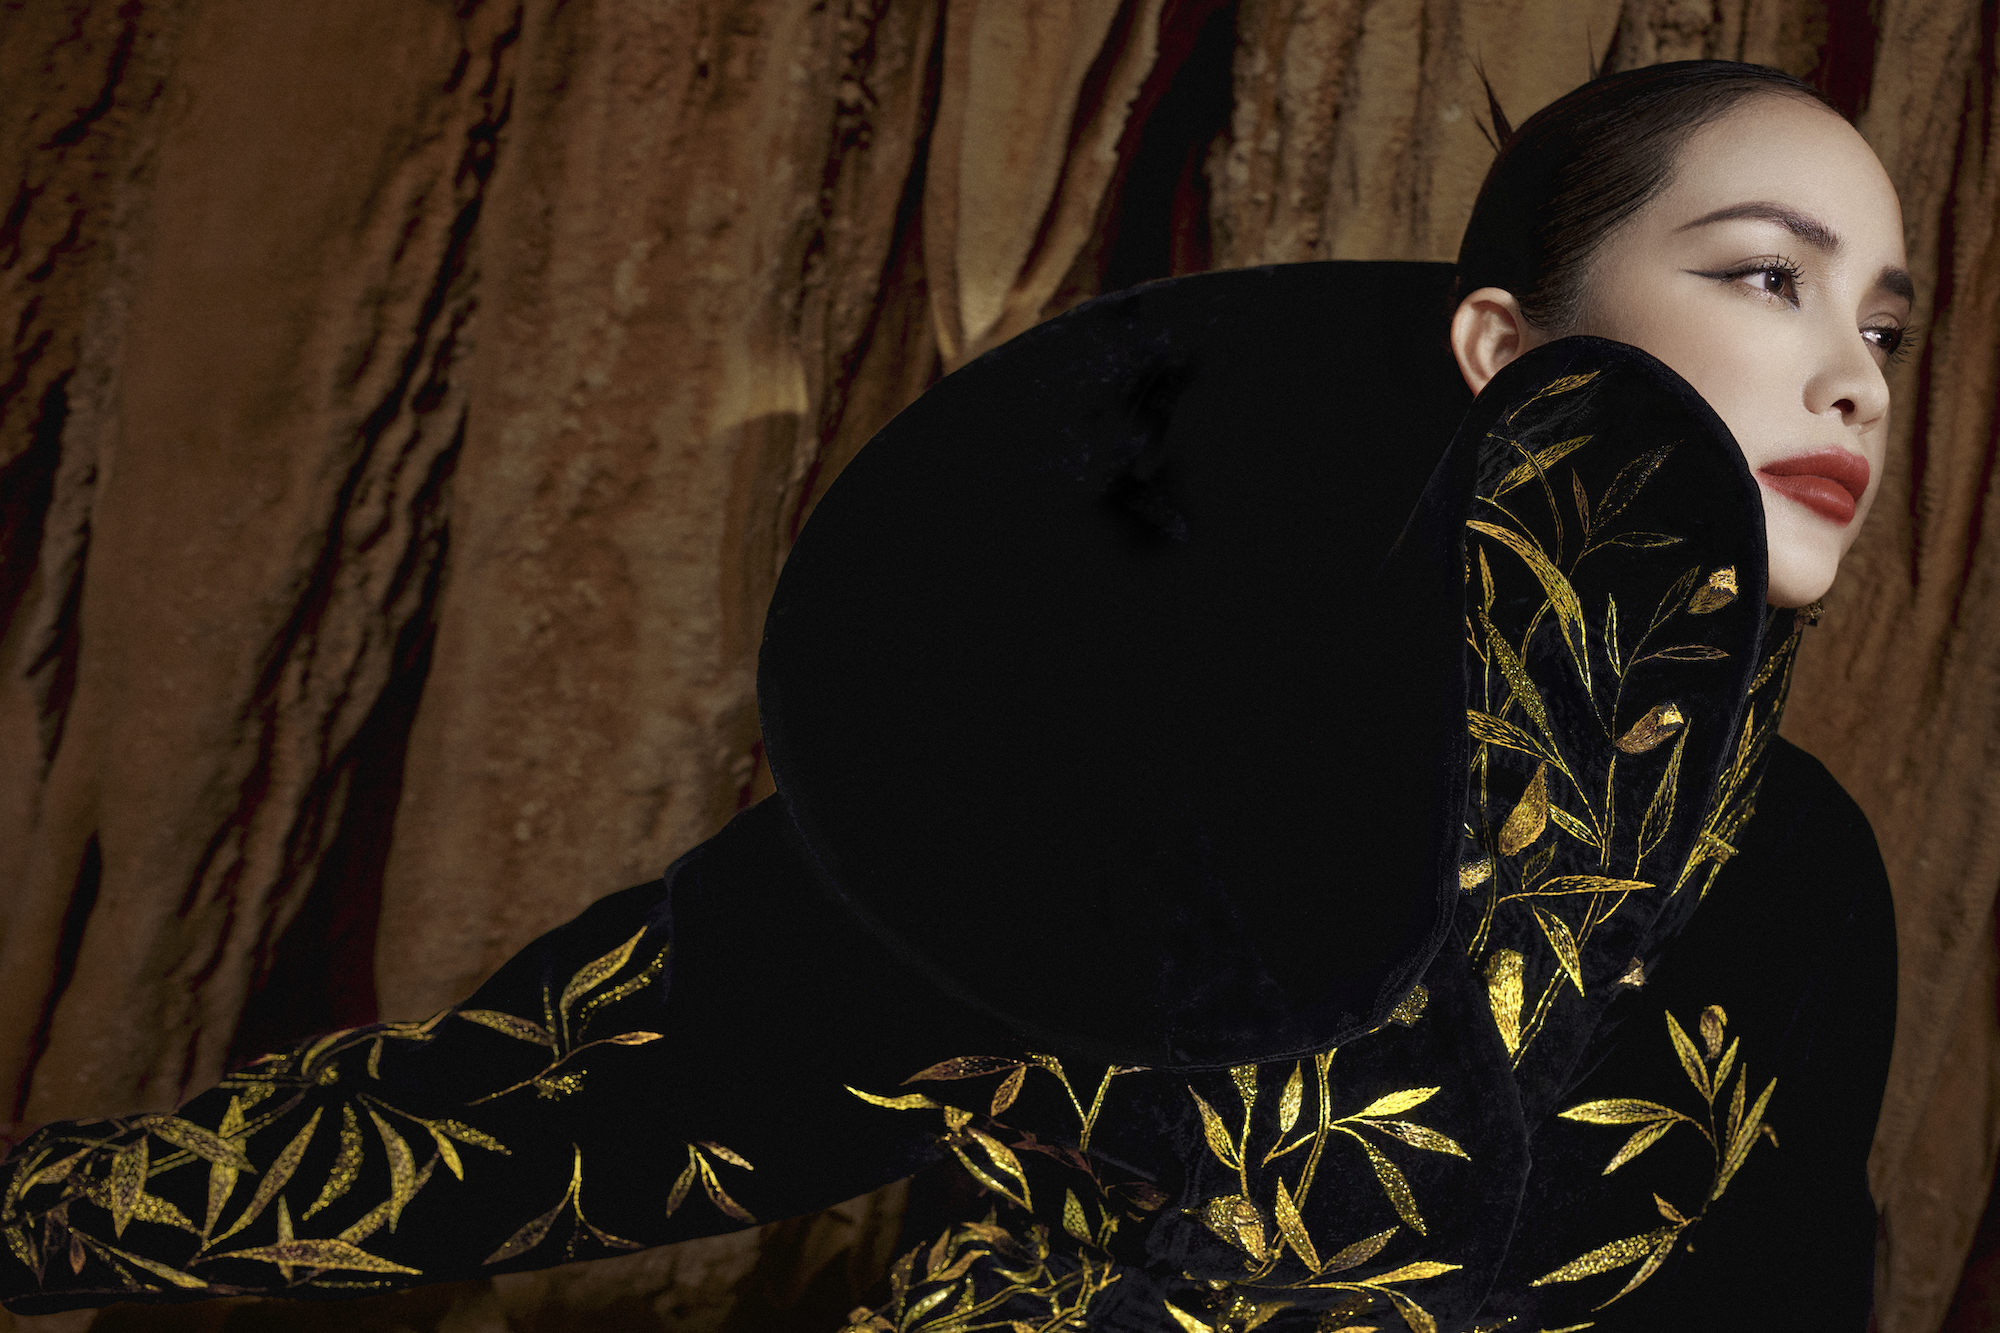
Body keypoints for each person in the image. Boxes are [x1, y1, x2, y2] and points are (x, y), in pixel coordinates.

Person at [0, 60, 1905, 1331]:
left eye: (1887, 322)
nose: (1857, 380)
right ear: (1505, 341)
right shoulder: (1175, 726)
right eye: (1768, 278)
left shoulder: (1809, 875)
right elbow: (563, 1104)